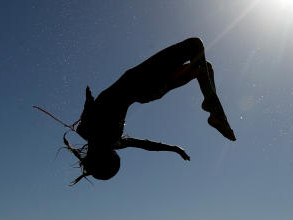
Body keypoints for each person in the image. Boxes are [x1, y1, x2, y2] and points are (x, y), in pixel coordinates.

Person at [43, 37, 235, 184]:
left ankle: (214, 112)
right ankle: (213, 110)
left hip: (149, 93)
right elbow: (144, 144)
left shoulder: (107, 138)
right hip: (142, 81)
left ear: (106, 157)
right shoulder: (91, 132)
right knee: (195, 46)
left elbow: (144, 144)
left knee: (204, 68)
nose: (114, 152)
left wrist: (174, 149)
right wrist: (88, 103)